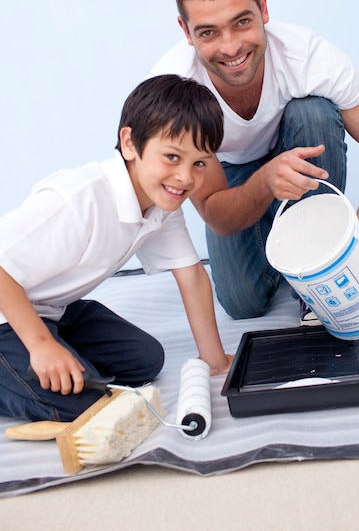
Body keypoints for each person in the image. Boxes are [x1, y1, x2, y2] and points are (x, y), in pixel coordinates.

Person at [149, 0, 359, 321]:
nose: (230, 47)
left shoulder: (311, 58)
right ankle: (286, 244)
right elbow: (215, 212)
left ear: (263, 7)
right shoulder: (173, 91)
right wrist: (266, 183)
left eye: (242, 22)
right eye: (208, 32)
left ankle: (317, 256)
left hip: (299, 146)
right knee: (242, 305)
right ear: (185, 32)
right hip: (230, 177)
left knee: (313, 112)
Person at [0, 74, 232, 422]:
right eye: (171, 156)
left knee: (146, 359)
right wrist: (41, 346)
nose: (185, 177)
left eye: (199, 163)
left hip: (52, 309)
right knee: (86, 407)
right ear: (129, 143)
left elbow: (192, 276)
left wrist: (215, 361)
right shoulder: (81, 199)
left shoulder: (161, 202)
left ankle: (54, 347)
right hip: (7, 312)